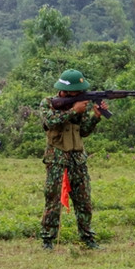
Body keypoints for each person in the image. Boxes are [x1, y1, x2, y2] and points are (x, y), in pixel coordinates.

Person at [38, 69, 108, 250]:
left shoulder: (80, 105)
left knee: (84, 200)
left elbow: (84, 131)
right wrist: (72, 111)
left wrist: (95, 117)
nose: (80, 94)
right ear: (66, 91)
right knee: (53, 200)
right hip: (57, 160)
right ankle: (48, 239)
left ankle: (87, 237)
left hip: (78, 159)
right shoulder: (48, 103)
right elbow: (50, 121)